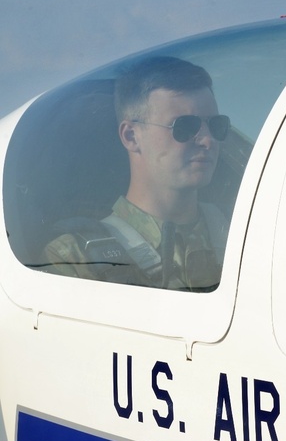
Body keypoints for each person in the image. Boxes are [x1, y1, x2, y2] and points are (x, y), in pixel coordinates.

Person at [45, 56, 229, 291]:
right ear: (131, 136)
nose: (207, 140)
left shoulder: (245, 230)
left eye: (216, 125)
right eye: (185, 126)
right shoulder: (76, 259)